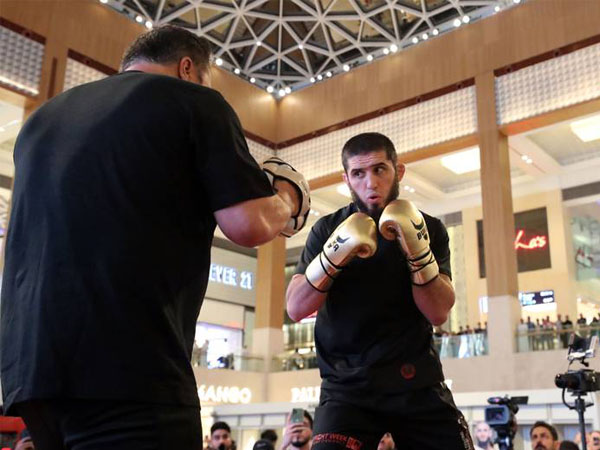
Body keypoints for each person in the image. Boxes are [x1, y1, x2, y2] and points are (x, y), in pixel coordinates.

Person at [0, 25, 310, 450]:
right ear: (188, 68)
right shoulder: (194, 101)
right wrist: (289, 196)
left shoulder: (43, 121)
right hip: (130, 368)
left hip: (32, 375)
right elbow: (250, 225)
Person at [286, 132, 473, 450]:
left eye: (379, 170)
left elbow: (438, 311)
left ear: (398, 171)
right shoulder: (327, 229)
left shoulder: (429, 229)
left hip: (416, 380)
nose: (370, 183)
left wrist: (416, 250)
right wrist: (334, 256)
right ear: (347, 179)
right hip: (347, 388)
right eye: (358, 173)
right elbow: (295, 307)